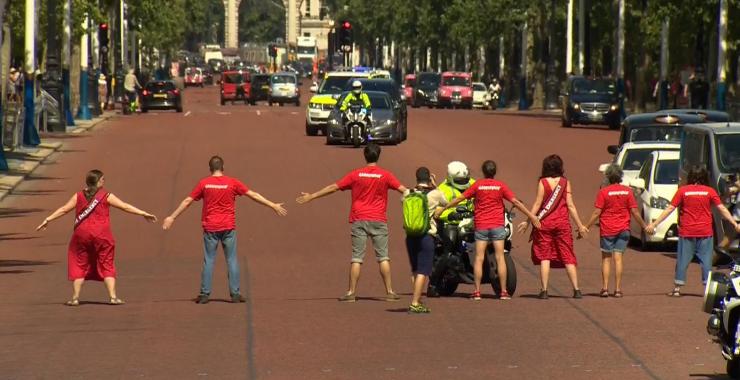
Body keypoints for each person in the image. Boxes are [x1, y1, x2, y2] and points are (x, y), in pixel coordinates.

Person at [162, 156, 287, 304]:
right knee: (232, 260)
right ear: (223, 167)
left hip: (210, 228)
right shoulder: (232, 183)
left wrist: (172, 217)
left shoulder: (204, 184)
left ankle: (204, 295)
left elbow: (187, 200)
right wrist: (272, 205)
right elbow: (253, 195)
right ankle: (235, 294)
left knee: (209, 260)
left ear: (210, 169)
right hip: (228, 227)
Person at [297, 143, 408, 302]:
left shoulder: (356, 174)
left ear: (365, 155)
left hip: (359, 218)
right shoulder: (386, 175)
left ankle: (351, 293)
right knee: (383, 257)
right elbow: (405, 190)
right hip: (378, 219)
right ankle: (390, 292)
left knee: (357, 258)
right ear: (378, 155)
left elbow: (333, 187)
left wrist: (312, 196)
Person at [36, 170, 157, 306]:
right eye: (103, 179)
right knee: (107, 263)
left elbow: (64, 209)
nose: (104, 181)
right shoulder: (106, 196)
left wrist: (48, 219)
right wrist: (143, 213)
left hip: (81, 235)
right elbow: (124, 206)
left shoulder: (78, 196)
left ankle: (75, 298)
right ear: (98, 181)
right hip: (102, 235)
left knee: (79, 264)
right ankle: (113, 297)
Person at [436, 160, 541, 300]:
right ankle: (503, 292)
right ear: (494, 172)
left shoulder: (477, 185)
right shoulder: (500, 186)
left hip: (481, 227)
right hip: (497, 226)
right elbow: (515, 202)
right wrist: (531, 216)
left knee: (479, 258)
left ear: (483, 171)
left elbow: (460, 198)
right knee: (500, 257)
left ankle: (477, 292)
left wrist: (443, 208)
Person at [646, 166, 740, 297]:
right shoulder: (710, 191)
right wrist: (734, 223)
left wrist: (654, 223)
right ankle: (707, 289)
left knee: (683, 260)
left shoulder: (683, 191)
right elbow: (722, 209)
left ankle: (677, 288)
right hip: (705, 231)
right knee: (706, 261)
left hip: (687, 231)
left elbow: (670, 209)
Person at [518, 154, 587, 299]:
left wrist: (528, 220)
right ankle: (576, 289)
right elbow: (570, 205)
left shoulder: (543, 182)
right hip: (562, 224)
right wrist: (580, 225)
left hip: (544, 223)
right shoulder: (565, 182)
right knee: (568, 255)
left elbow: (537, 204)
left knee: (545, 256)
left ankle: (544, 290)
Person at [584, 164, 648, 298]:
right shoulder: (627, 191)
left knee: (606, 259)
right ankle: (618, 289)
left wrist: (586, 226)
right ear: (620, 177)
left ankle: (605, 288)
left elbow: (597, 212)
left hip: (608, 229)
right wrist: (644, 226)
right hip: (623, 229)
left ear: (608, 177)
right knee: (618, 259)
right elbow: (635, 211)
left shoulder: (603, 192)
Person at [427, 161, 475, 297]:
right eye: (459, 180)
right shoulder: (443, 189)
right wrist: (450, 214)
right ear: (450, 178)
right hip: (451, 223)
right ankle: (433, 285)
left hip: (472, 220)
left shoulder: (473, 182)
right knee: (449, 250)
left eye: (464, 179)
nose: (464, 182)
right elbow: (437, 211)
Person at [403, 167, 445, 313]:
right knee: (423, 270)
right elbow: (446, 201)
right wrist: (435, 184)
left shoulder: (408, 193)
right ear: (429, 178)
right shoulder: (435, 194)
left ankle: (418, 299)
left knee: (415, 269)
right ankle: (415, 303)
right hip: (427, 235)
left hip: (410, 234)